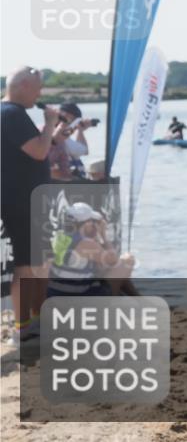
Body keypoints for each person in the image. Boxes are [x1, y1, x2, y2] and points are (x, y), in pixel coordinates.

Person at [2, 67, 61, 350]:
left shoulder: (10, 114)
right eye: (38, 88)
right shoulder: (12, 113)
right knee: (28, 265)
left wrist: (49, 131)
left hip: (23, 200)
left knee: (38, 263)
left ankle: (35, 322)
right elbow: (39, 151)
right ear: (24, 85)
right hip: (22, 202)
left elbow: (34, 149)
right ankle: (23, 329)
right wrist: (49, 122)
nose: (40, 94)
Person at [47, 202, 134, 297]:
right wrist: (103, 235)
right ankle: (112, 306)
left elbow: (100, 267)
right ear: (86, 223)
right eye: (93, 221)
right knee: (127, 260)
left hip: (56, 293)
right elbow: (113, 260)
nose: (94, 224)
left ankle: (139, 298)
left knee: (111, 272)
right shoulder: (85, 244)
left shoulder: (59, 236)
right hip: (75, 295)